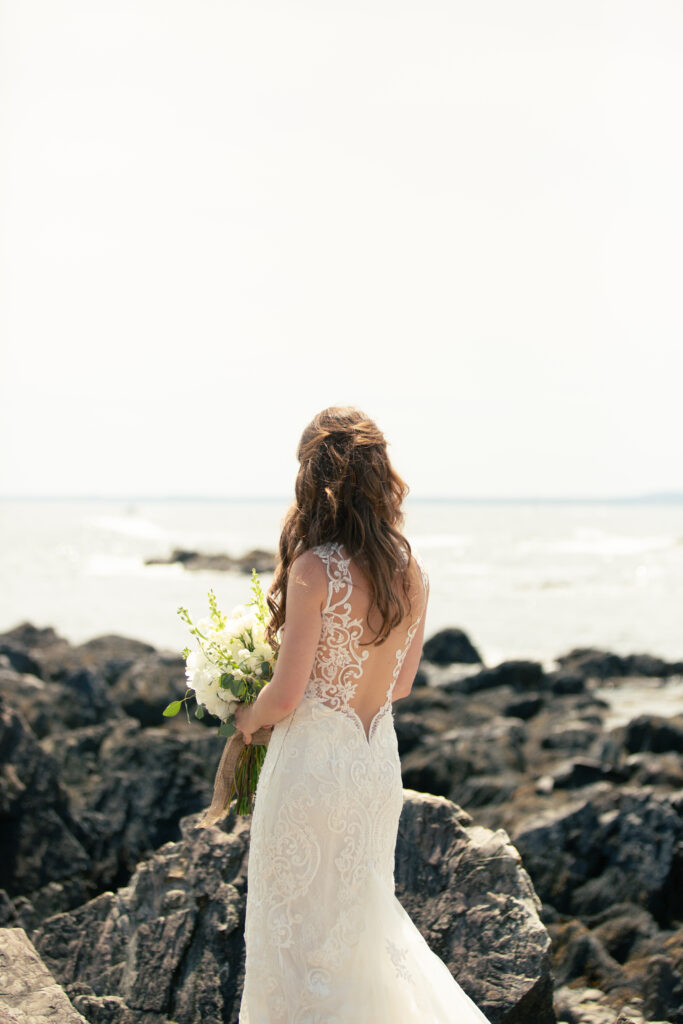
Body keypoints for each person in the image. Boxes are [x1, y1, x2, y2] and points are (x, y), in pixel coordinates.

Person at [234, 406, 492, 1023]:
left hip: (313, 772)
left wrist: (245, 716)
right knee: (361, 938)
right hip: (375, 768)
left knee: (295, 940)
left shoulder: (314, 568)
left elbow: (288, 694)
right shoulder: (414, 573)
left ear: (312, 480)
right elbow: (400, 684)